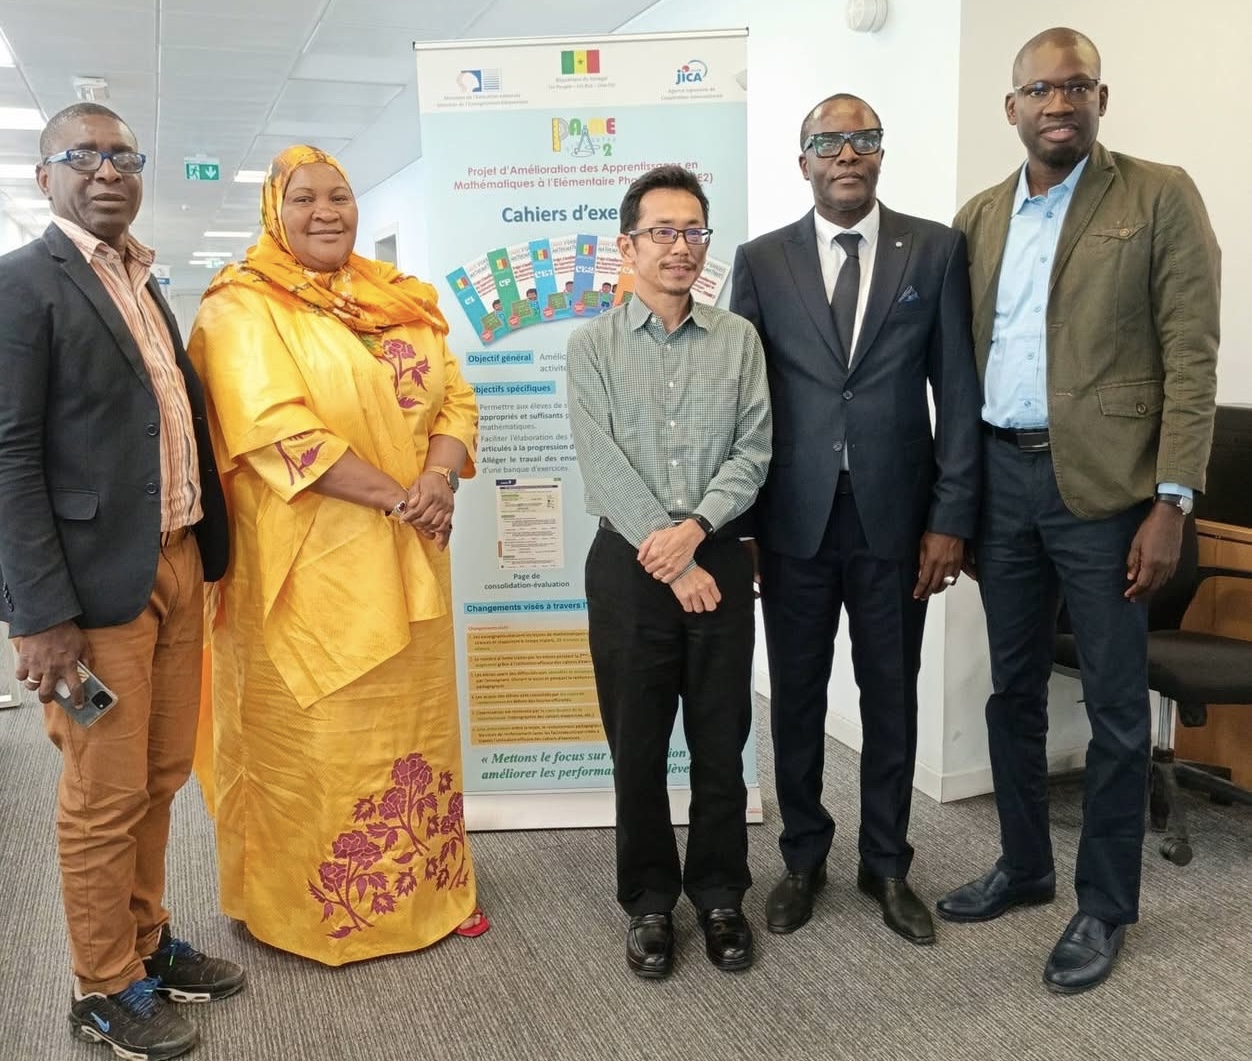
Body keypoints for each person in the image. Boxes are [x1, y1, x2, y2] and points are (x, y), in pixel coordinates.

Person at [935, 28, 1220, 994]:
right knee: (1011, 690)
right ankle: (1025, 865)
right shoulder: (979, 217)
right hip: (1001, 481)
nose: (1058, 103)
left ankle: (1105, 903)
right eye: (1040, 89)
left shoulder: (1158, 195)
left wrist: (1173, 500)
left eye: (1076, 86)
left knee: (1114, 708)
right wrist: (958, 499)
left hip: (1108, 495)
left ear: (1102, 98)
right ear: (1011, 107)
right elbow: (960, 366)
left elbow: (1192, 355)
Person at [187, 145, 485, 966]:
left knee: (411, 728)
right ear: (273, 212)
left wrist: (437, 478)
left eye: (340, 195)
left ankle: (425, 893)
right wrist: (402, 496)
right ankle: (306, 908)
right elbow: (274, 431)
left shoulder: (397, 297)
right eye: (304, 198)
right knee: (314, 743)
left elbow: (456, 397)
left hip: (412, 550)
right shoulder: (240, 307)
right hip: (304, 571)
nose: (326, 211)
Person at [0, 103, 242, 1061]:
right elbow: (9, 456)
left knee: (161, 774)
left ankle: (145, 940)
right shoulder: (23, 284)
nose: (107, 171)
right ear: (44, 176)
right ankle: (101, 985)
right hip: (90, 595)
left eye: (124, 156)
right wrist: (38, 614)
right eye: (83, 155)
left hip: (173, 561)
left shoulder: (142, 279)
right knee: (103, 793)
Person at [731, 95, 980, 946]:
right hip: (792, 522)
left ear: (880, 152)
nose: (847, 153)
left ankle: (887, 861)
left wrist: (950, 517)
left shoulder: (934, 249)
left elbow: (957, 389)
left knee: (891, 696)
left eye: (863, 138)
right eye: (829, 141)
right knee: (796, 697)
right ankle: (804, 857)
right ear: (802, 159)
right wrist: (744, 524)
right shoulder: (762, 260)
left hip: (897, 525)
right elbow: (744, 399)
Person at [567, 164, 771, 979]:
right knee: (639, 746)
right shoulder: (592, 347)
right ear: (628, 246)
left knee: (722, 740)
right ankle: (649, 901)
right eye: (662, 232)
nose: (680, 247)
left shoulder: (739, 340)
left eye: (693, 232)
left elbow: (753, 450)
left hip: (715, 551)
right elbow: (601, 461)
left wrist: (694, 532)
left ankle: (720, 894)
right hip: (628, 564)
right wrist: (668, 550)